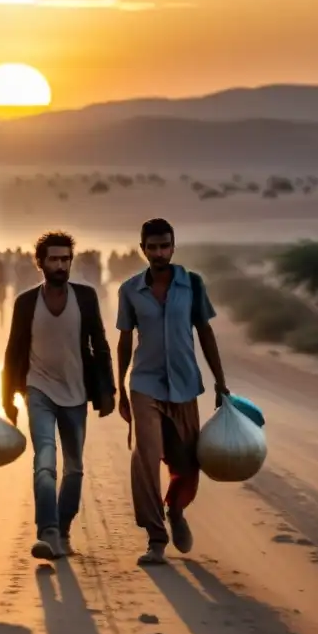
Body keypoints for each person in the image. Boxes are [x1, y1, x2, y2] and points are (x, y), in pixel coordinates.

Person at [115, 218, 230, 566]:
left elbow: (205, 333)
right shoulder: (130, 290)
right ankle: (155, 538)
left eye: (164, 246)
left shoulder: (192, 284)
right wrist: (120, 386)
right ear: (142, 249)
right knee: (145, 459)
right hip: (144, 384)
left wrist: (220, 382)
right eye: (152, 247)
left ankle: (175, 511)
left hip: (184, 385)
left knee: (188, 464)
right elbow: (123, 340)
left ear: (173, 246)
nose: (159, 253)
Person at [1, 231, 116, 561]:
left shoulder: (86, 297)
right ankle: (47, 531)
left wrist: (107, 389)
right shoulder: (26, 302)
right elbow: (13, 350)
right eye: (54, 259)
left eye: (65, 259)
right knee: (45, 462)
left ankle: (63, 529)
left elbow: (100, 344)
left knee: (75, 468)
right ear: (40, 263)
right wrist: (8, 395)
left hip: (76, 392)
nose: (60, 265)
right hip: (38, 389)